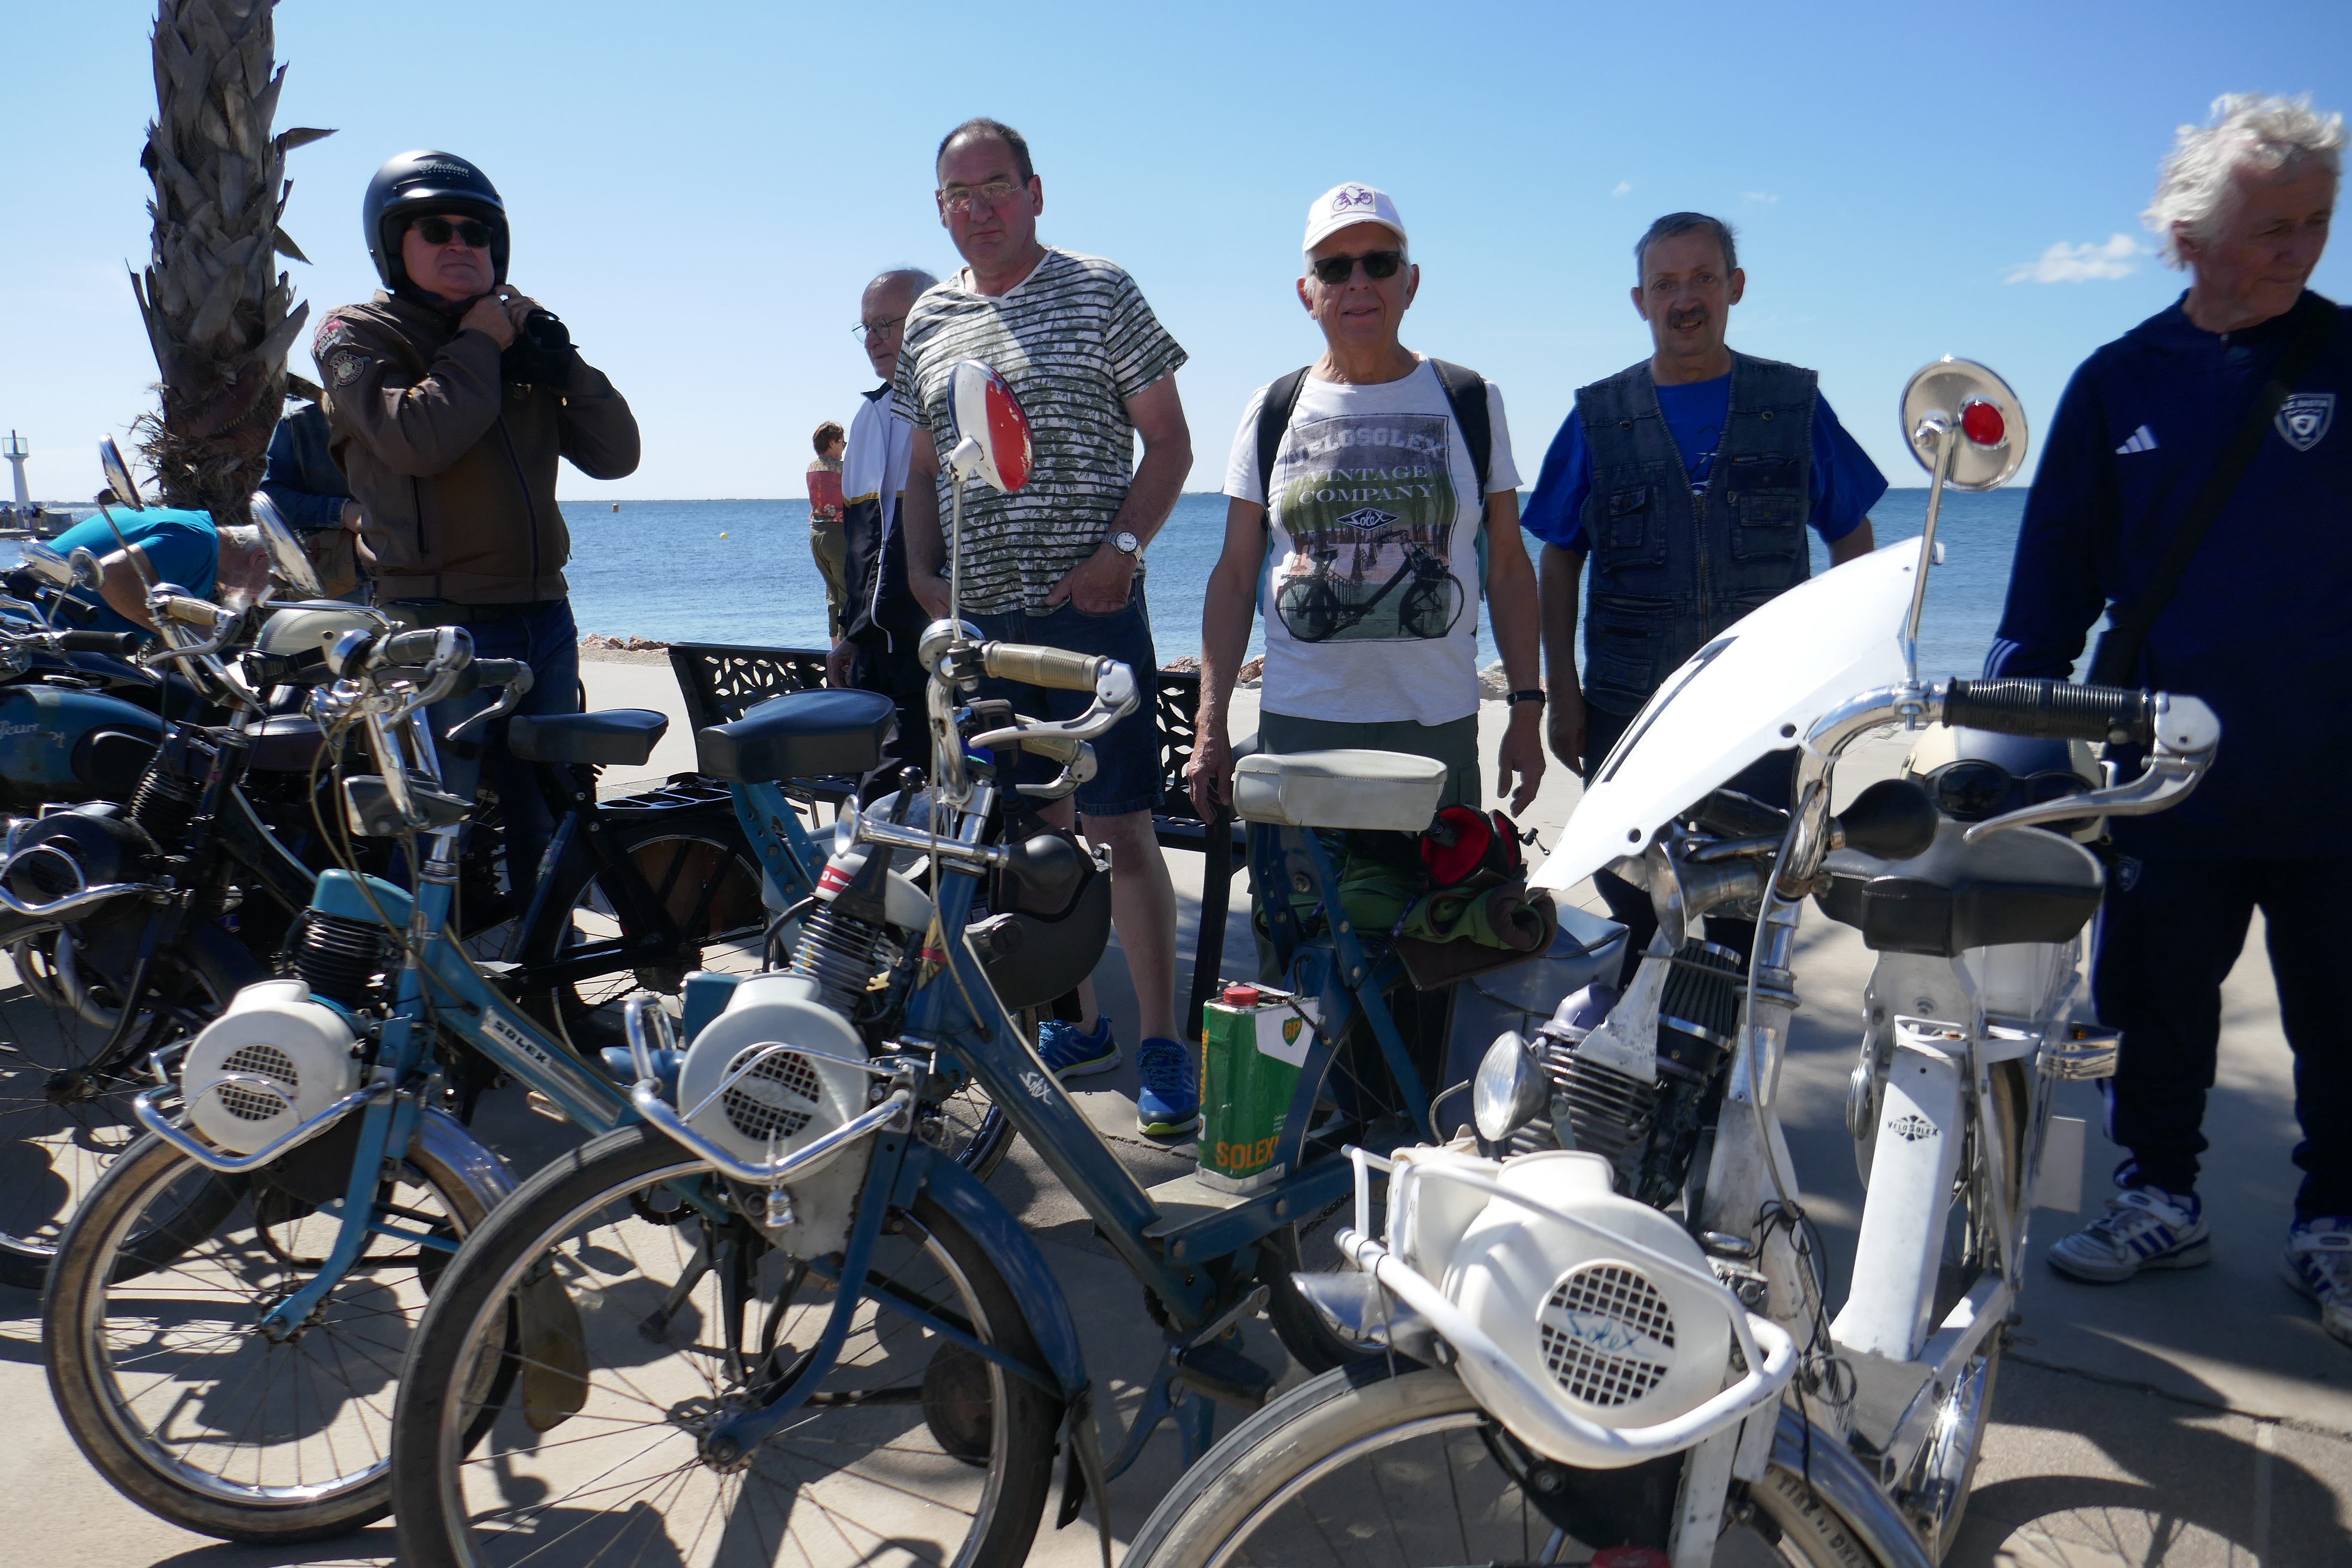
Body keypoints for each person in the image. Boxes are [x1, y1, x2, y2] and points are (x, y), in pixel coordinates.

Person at [1988, 95, 2352, 1342]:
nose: (2295, 249)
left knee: (2343, 1021)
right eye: (2268, 226)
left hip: (2335, 778)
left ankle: (2337, 1226)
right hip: (2169, 780)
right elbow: (2044, 606)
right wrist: (2012, 765)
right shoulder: (2115, 384)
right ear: (2189, 234)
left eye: (2316, 223)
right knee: (2155, 1008)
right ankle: (2160, 1196)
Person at [894, 116, 1196, 1133]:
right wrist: (920, 568)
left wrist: (1121, 550)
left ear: (1033, 190)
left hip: (1091, 615)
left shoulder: (1100, 288)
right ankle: (1081, 1021)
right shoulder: (929, 319)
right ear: (939, 208)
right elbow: (926, 464)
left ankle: (1162, 1040)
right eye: (954, 196)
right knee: (1029, 838)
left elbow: (1167, 444)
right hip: (981, 626)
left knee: (1117, 827)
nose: (975, 210)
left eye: (992, 187)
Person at [1520, 211, 1885, 972]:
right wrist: (1563, 689)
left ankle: (1724, 1087)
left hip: (1763, 718)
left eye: (1702, 279)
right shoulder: (1598, 417)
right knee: (1635, 910)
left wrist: (1842, 672)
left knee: (1743, 925)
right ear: (1639, 300)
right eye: (1665, 283)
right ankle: (1633, 1079)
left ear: (1735, 288)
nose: (1685, 298)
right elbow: (1558, 559)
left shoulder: (1790, 406)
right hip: (1629, 715)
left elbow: (1850, 531)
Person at [314, 149, 640, 898]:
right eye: (436, 229)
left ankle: (551, 996)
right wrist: (479, 343)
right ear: (394, 245)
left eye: (477, 231)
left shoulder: (512, 338)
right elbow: (418, 440)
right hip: (436, 626)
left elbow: (617, 456)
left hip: (543, 620)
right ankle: (422, 1001)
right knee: (430, 827)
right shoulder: (357, 334)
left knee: (555, 817)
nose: (461, 242)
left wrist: (563, 363)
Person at [1187, 182, 1544, 822]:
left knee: (1438, 921)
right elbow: (1236, 575)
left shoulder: (1471, 399)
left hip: (1436, 724)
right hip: (1301, 727)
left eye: (1379, 263)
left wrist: (1526, 707)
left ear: (1409, 283)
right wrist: (1210, 722)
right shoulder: (1271, 408)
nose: (1358, 282)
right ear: (1308, 293)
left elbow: (1511, 569)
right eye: (1333, 267)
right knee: (1300, 923)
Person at [829, 269, 938, 793]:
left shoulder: (958, 402)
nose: (873, 341)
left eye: (886, 326)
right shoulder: (869, 417)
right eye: (866, 328)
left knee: (887, 802)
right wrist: (851, 632)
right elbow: (862, 545)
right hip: (879, 655)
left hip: (935, 650)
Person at [47, 505, 272, 637]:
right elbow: (111, 576)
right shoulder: (197, 544)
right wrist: (182, 636)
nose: (275, 592)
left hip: (56, 633)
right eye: (279, 581)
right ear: (260, 556)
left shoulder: (202, 548)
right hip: (44, 629)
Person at [259, 390, 366, 600]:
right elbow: (272, 502)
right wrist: (342, 512)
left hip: (420, 580)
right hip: (337, 585)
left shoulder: (424, 419)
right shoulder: (299, 426)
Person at [807, 422, 848, 640]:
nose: (843, 448)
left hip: (815, 535)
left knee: (833, 596)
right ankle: (847, 651)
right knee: (847, 596)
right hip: (836, 536)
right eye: (842, 442)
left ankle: (834, 649)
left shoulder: (812, 467)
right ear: (831, 442)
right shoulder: (840, 469)